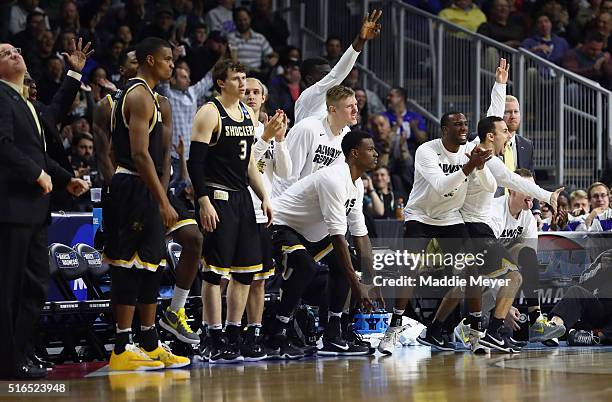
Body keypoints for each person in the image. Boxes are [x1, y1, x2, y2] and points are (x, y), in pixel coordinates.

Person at [188, 60, 286, 363]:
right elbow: (195, 163)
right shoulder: (209, 113)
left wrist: (264, 197)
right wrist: (203, 200)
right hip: (216, 198)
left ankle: (233, 333)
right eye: (236, 78)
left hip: (243, 198)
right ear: (221, 83)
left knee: (245, 274)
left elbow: (247, 166)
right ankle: (211, 334)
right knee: (215, 273)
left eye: (244, 77)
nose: (242, 83)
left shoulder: (245, 113)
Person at [0, 43, 89, 379]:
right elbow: (3, 145)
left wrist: (65, 179)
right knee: (10, 290)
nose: (14, 54)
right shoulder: (1, 97)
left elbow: (39, 151)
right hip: (12, 209)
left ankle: (21, 353)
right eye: (4, 53)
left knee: (35, 287)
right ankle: (8, 361)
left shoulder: (24, 102)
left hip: (34, 211)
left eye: (16, 50)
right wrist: (36, 174)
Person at [104, 37, 189, 371]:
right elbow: (139, 154)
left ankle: (150, 342)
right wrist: (162, 199)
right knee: (126, 265)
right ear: (150, 60)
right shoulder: (138, 95)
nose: (173, 64)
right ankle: (122, 345)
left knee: (149, 265)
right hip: (132, 186)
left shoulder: (152, 97)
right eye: (168, 59)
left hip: (143, 187)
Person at [267, 130, 382, 357]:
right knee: (307, 266)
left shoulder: (357, 185)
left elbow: (360, 235)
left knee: (349, 263)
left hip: (310, 235)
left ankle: (333, 332)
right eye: (370, 149)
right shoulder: (333, 179)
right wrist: (358, 288)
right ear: (354, 154)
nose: (376, 154)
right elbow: (338, 237)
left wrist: (370, 280)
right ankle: (277, 334)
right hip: (280, 226)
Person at [241, 77, 291, 358]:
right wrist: (265, 138)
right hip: (238, 210)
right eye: (246, 91)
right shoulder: (235, 126)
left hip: (263, 213)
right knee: (232, 278)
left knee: (259, 279)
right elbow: (242, 165)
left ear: (264, 98)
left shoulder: (267, 129)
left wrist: (280, 140)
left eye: (256, 92)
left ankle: (255, 331)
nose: (250, 95)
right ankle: (224, 331)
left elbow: (285, 172)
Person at [294, 10, 382, 123]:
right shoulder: (311, 94)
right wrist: (360, 40)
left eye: (329, 73)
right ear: (309, 79)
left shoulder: (329, 103)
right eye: (325, 75)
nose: (329, 77)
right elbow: (338, 73)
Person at [272, 85, 357, 199]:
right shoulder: (307, 129)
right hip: (289, 202)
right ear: (333, 110)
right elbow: (287, 177)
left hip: (315, 202)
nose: (355, 110)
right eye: (349, 106)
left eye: (355, 104)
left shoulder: (346, 133)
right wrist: (282, 210)